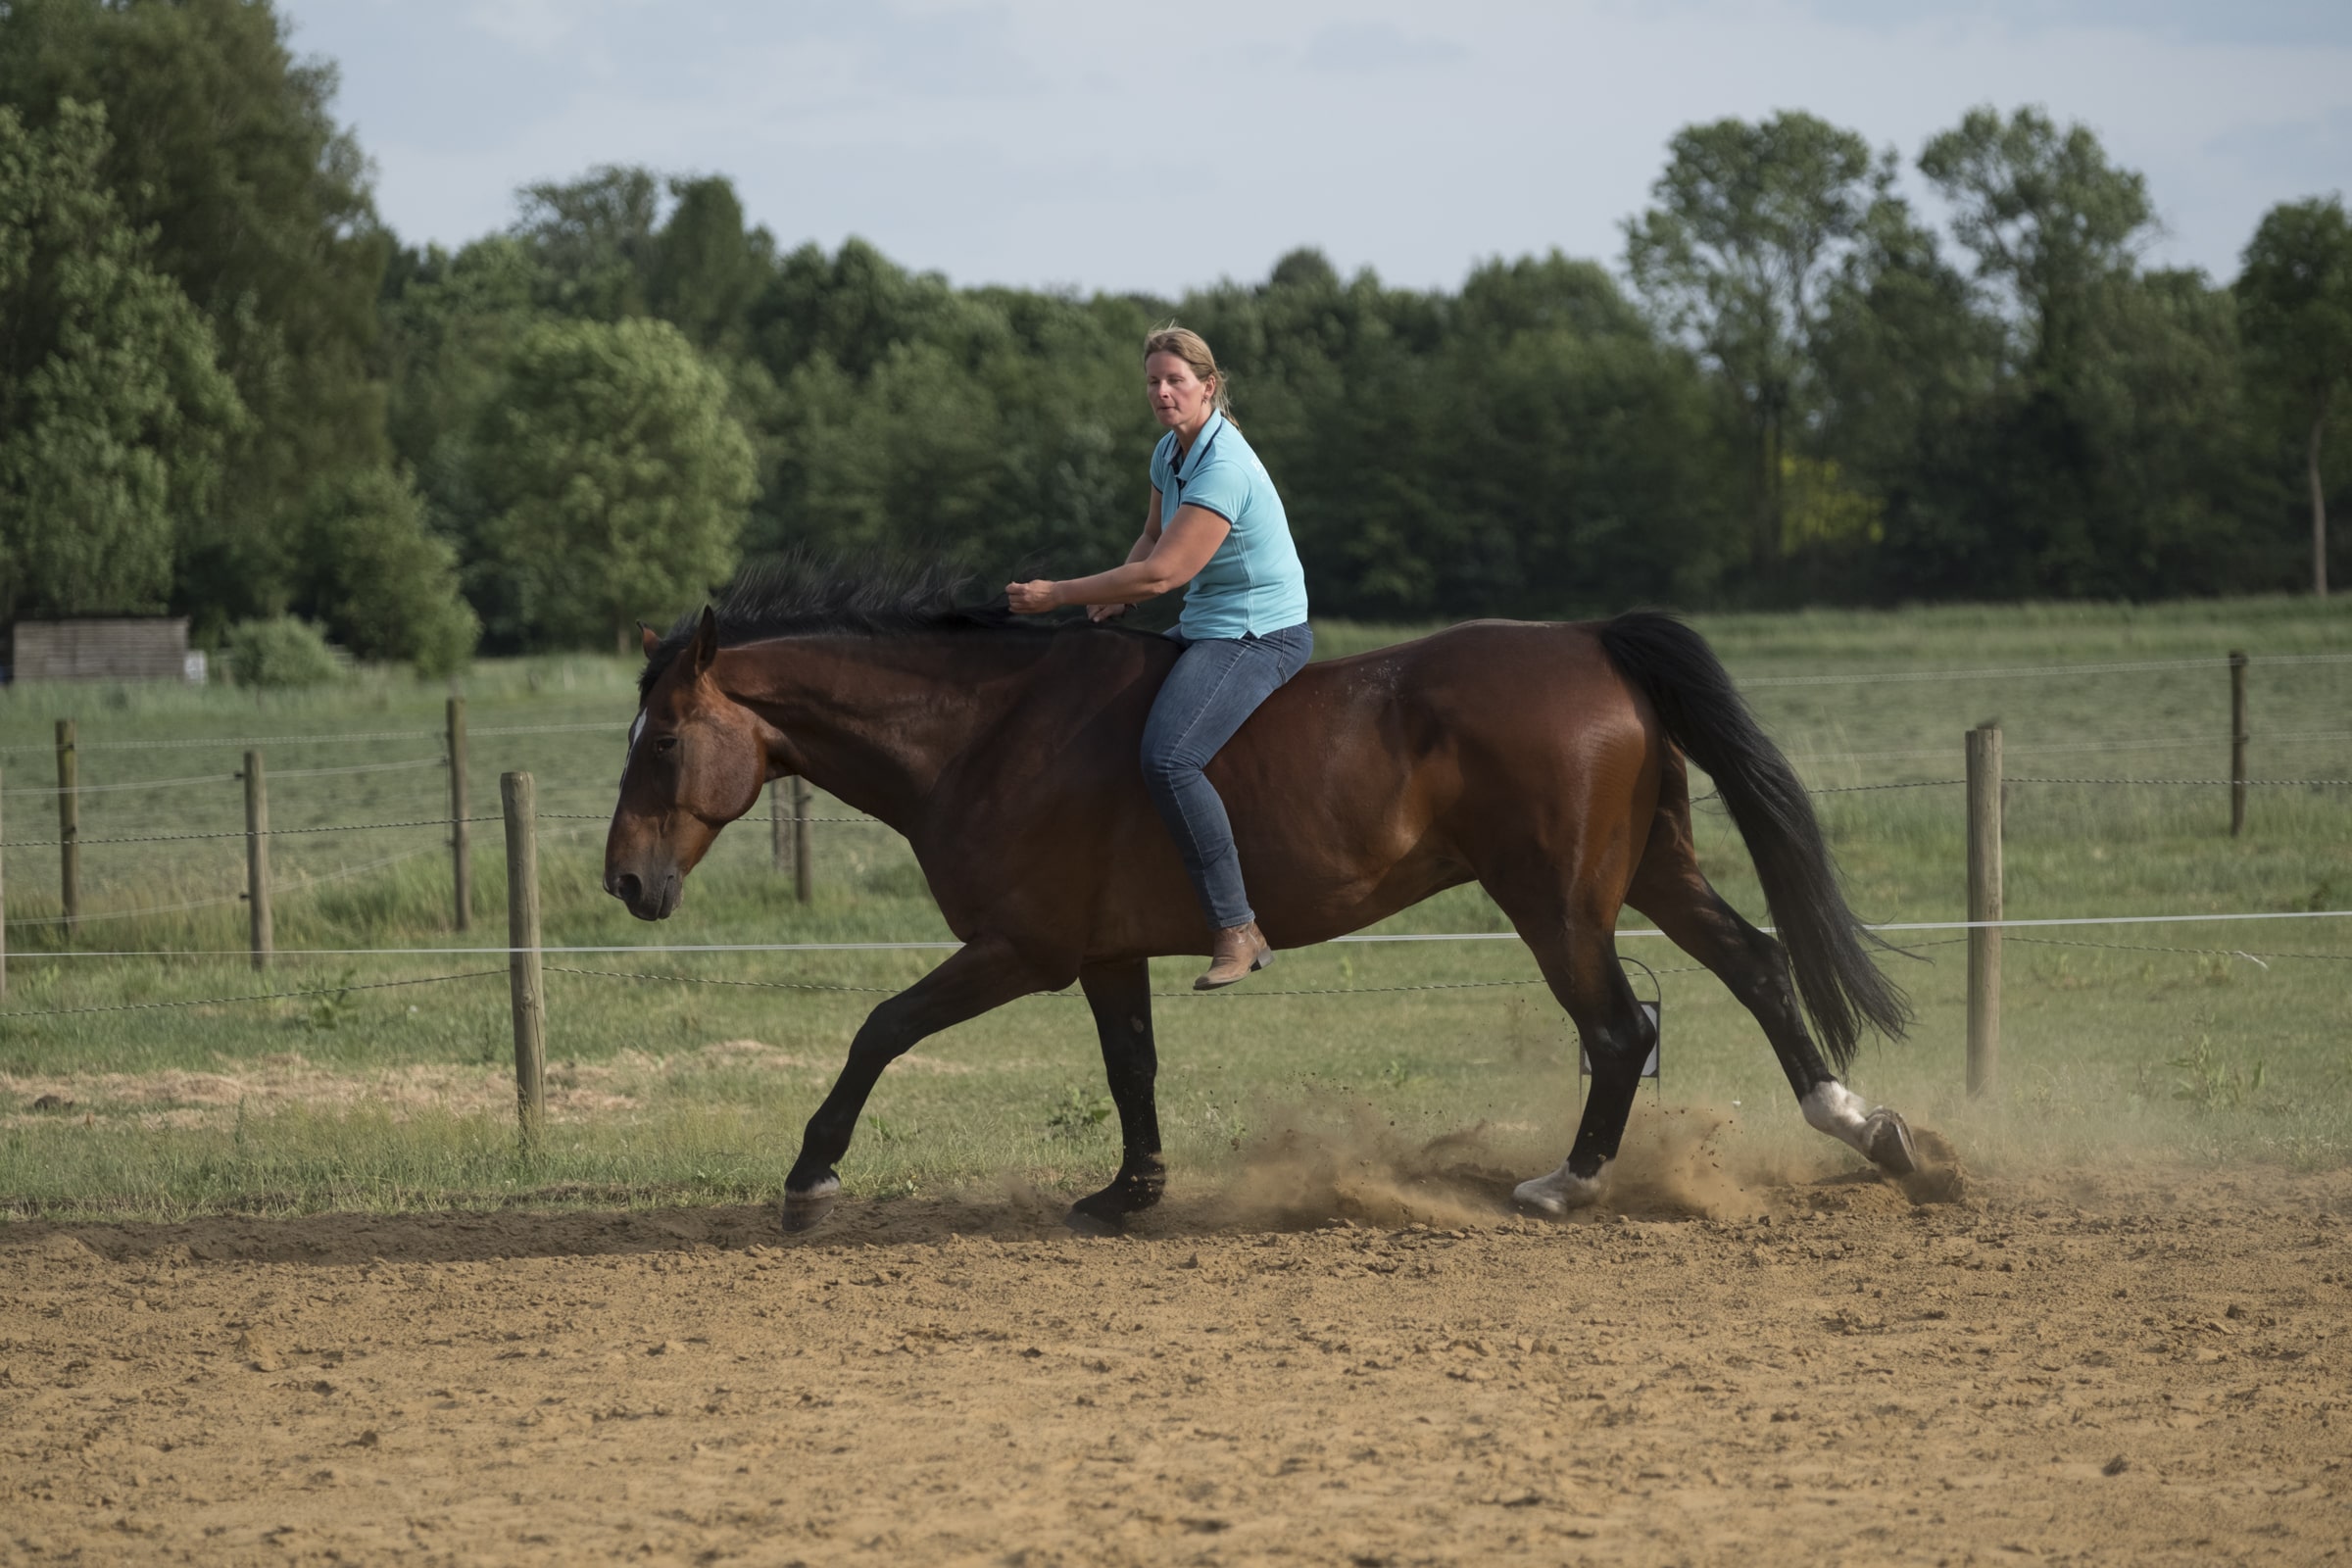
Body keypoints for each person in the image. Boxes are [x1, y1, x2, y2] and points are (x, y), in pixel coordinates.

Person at [1006, 325, 1311, 989]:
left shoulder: (1224, 466)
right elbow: (1150, 540)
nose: (1162, 392)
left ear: (1209, 386)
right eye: (1153, 381)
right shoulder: (1170, 455)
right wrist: (1115, 595)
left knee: (1168, 758)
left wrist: (1061, 593)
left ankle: (1236, 927)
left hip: (1257, 635)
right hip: (1205, 626)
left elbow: (1162, 575)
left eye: (1176, 380)